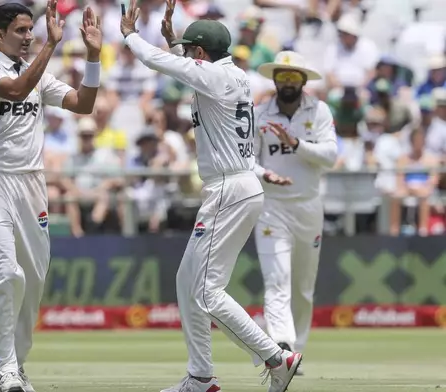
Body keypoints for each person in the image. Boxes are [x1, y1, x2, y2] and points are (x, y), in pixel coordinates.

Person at [120, 1, 302, 392]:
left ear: (201, 54)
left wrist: (130, 35)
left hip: (229, 190)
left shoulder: (216, 78)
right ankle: (201, 376)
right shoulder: (229, 75)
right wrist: (174, 38)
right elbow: (189, 67)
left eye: (190, 49)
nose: (186, 53)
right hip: (238, 184)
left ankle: (277, 358)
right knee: (189, 283)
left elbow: (161, 63)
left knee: (204, 289)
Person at [0, 1, 103, 391]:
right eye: (21, 31)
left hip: (32, 183)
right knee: (6, 273)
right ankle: (5, 366)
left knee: (34, 280)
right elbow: (16, 90)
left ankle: (12, 362)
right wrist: (52, 46)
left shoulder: (35, 71)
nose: (28, 37)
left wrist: (93, 56)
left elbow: (84, 104)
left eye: (30, 30)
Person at [252, 51, 338, 376]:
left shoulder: (319, 111)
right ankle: (281, 348)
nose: (287, 82)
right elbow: (248, 160)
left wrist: (297, 144)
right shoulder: (259, 114)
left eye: (293, 76)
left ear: (303, 79)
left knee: (303, 287)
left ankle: (296, 349)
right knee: (277, 280)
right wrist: (266, 175)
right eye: (281, 76)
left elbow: (330, 156)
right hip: (271, 207)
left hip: (308, 207)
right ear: (274, 79)